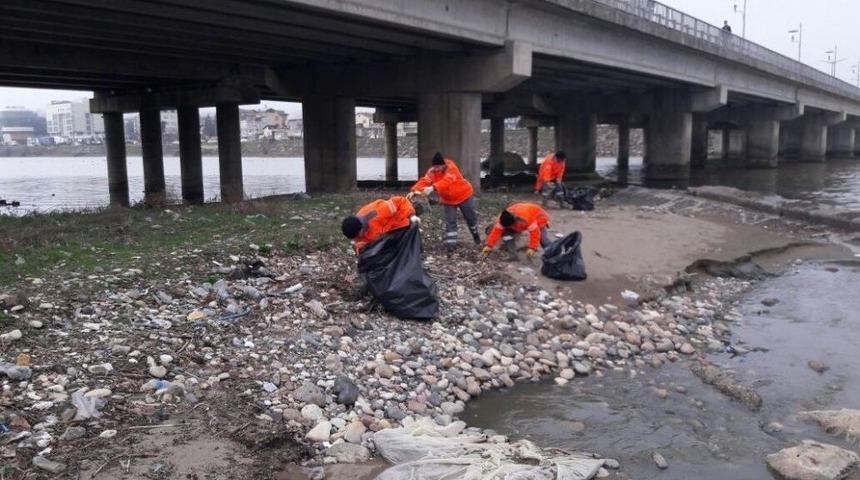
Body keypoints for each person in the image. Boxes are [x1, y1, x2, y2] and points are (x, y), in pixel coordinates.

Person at [408, 152, 481, 252]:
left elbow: (447, 181)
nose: (436, 169)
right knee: (450, 222)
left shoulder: (451, 168)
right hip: (448, 200)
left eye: (438, 166)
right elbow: (424, 181)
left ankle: (476, 235)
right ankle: (451, 246)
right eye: (434, 167)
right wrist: (414, 190)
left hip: (464, 196)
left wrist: (432, 188)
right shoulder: (432, 171)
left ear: (443, 165)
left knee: (470, 219)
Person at [341, 195, 419, 254]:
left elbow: (400, 201)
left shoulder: (380, 211)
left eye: (358, 236)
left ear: (361, 229)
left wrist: (411, 215)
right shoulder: (355, 229)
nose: (357, 239)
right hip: (387, 237)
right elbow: (362, 242)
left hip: (402, 226)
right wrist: (359, 248)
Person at [482, 203, 551, 259]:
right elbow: (496, 232)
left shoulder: (526, 218)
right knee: (507, 235)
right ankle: (513, 255)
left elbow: (535, 233)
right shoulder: (503, 218)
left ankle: (552, 254)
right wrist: (489, 245)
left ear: (514, 222)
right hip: (518, 221)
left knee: (543, 239)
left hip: (540, 217)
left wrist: (532, 248)